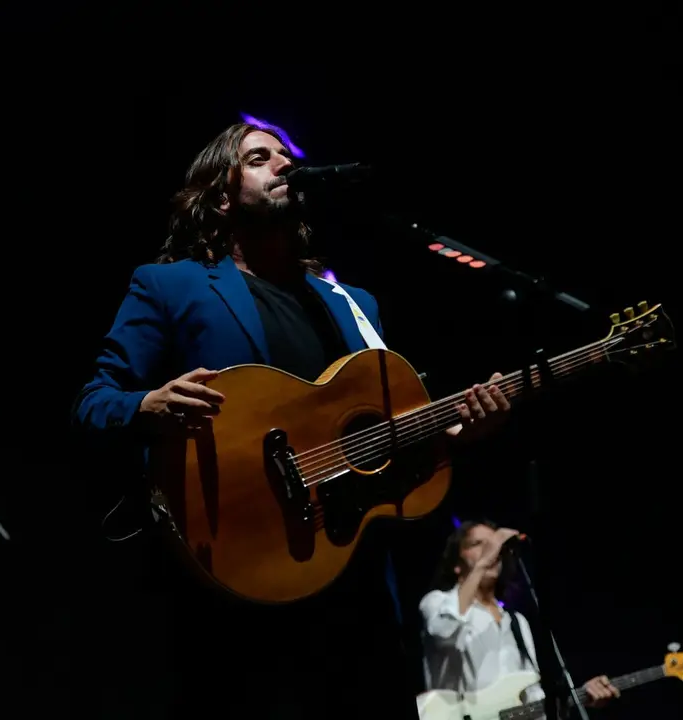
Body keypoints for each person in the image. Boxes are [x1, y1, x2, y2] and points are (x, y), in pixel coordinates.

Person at [74, 122, 512, 719]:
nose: (284, 165)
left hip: (356, 591)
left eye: (287, 156)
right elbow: (95, 401)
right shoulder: (169, 285)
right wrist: (146, 404)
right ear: (222, 196)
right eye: (260, 158)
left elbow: (379, 446)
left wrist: (457, 436)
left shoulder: (352, 305)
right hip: (238, 577)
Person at [419, 519, 619, 713]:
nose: (492, 550)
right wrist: (482, 564)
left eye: (494, 545)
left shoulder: (516, 622)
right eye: (477, 544)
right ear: (456, 563)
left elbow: (533, 697)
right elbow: (443, 631)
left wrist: (579, 697)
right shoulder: (436, 602)